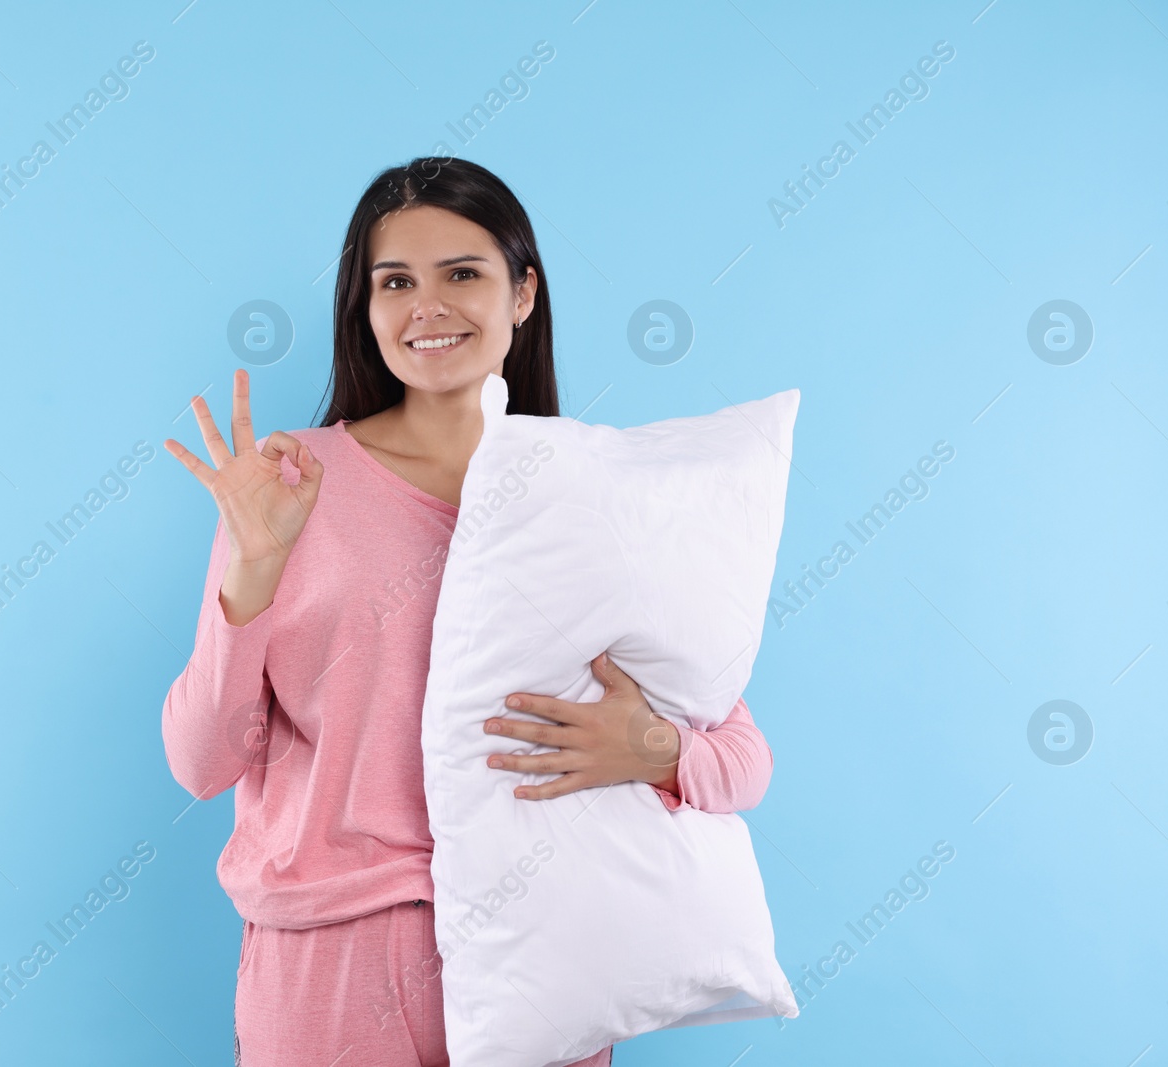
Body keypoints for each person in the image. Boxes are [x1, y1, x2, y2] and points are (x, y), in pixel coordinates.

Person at [161, 157, 775, 1066]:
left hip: (540, 951)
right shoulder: (292, 485)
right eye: (395, 281)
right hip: (331, 960)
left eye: (463, 273)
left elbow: (741, 758)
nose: (426, 306)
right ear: (364, 310)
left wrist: (650, 749)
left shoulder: (590, 492)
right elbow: (200, 762)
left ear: (524, 292)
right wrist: (251, 571)